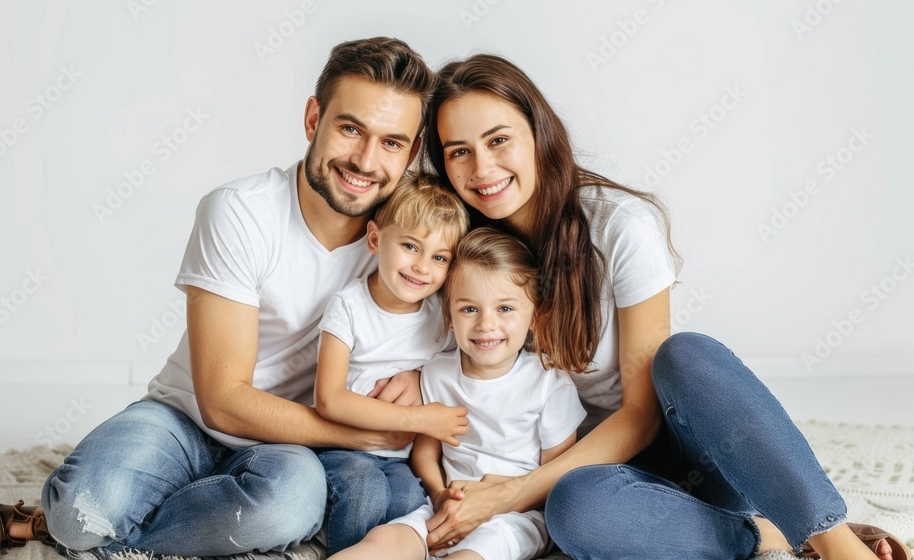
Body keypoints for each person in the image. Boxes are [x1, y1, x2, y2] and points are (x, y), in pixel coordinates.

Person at [0, 36, 435, 557]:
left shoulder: (416, 240)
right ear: (314, 119)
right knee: (80, 511)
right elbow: (223, 403)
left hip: (289, 448)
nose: (365, 160)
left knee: (289, 503)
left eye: (392, 142)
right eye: (351, 128)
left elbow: (477, 323)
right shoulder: (241, 211)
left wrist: (417, 375)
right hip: (186, 419)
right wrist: (361, 437)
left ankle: (102, 533)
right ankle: (73, 525)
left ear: (413, 150)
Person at [420, 53, 909, 560]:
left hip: (685, 449)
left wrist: (512, 492)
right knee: (572, 510)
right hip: (606, 477)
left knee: (685, 355)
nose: (482, 168)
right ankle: (771, 533)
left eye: (498, 139)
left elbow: (642, 414)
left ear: (539, 134)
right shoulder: (466, 251)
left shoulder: (620, 226)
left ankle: (835, 542)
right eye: (458, 151)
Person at [330, 227, 586, 560]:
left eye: (505, 309)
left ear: (535, 316)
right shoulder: (438, 372)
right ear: (449, 317)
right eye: (469, 309)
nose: (486, 324)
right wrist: (438, 495)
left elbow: (559, 476)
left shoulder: (549, 382)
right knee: (382, 540)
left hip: (515, 517)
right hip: (445, 506)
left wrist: (499, 493)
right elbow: (425, 453)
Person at [312, 174, 471, 554]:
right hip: (344, 447)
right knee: (364, 492)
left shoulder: (440, 316)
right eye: (410, 246)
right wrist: (417, 420)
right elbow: (329, 400)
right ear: (374, 239)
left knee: (407, 504)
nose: (421, 267)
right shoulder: (349, 306)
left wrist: (420, 379)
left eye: (439, 258)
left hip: (401, 459)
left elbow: (454, 373)